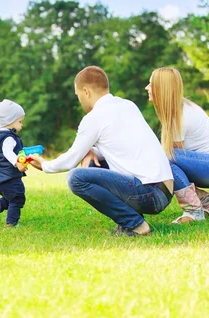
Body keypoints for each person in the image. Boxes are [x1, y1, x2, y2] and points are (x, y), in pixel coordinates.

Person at [30, 66, 173, 236]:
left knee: (76, 178)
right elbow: (121, 147)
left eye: (78, 95)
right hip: (164, 191)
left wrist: (45, 165)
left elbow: (71, 159)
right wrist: (92, 151)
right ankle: (131, 222)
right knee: (93, 163)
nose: (80, 100)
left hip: (149, 193)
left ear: (86, 92)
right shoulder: (128, 105)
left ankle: (135, 225)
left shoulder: (94, 118)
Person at [145, 67, 209, 224]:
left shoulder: (180, 116)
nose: (147, 88)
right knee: (163, 158)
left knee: (164, 158)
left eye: (151, 84)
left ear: (162, 89)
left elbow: (168, 162)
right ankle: (207, 203)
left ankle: (193, 211)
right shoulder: (178, 110)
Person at [0, 99, 28, 227]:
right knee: (17, 198)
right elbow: (7, 152)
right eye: (20, 122)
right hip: (10, 177)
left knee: (10, 198)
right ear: (10, 122)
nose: (21, 125)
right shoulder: (9, 137)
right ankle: (11, 223)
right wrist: (17, 163)